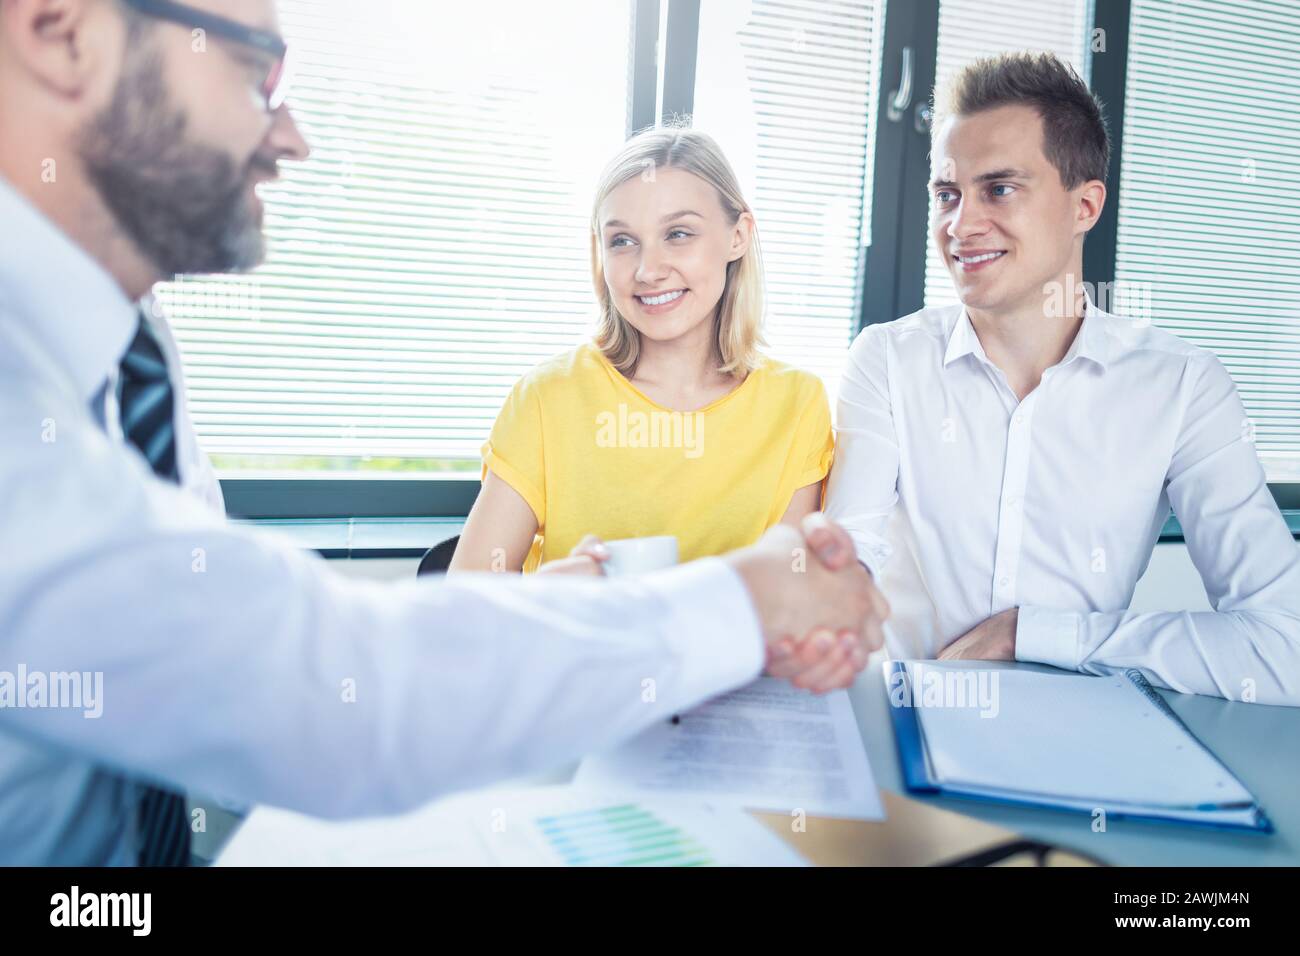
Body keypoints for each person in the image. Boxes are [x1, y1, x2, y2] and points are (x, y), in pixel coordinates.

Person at [0, 0, 888, 865]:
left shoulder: (130, 352)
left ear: (739, 239)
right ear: (59, 32)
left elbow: (210, 682)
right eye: (252, 72)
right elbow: (329, 691)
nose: (293, 140)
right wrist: (744, 597)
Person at [825, 52, 1300, 705]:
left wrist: (1035, 635)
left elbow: (1285, 648)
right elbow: (848, 567)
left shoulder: (1182, 386)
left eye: (1000, 188)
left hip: (1081, 741)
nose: (961, 225)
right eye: (947, 194)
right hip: (907, 732)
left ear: (1084, 206)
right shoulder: (887, 359)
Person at [450, 127, 834, 578]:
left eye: (678, 233)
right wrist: (549, 593)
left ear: (738, 235)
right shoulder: (547, 398)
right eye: (623, 241)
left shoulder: (796, 404)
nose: (649, 271)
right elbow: (465, 607)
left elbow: (787, 600)